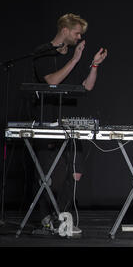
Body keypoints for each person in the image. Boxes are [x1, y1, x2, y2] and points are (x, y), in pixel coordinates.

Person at [32, 13, 107, 234]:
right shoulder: (42, 52)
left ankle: (60, 215)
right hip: (46, 119)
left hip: (70, 121)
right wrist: (75, 59)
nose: (79, 37)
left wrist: (93, 64)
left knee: (76, 172)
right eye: (76, 33)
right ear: (65, 30)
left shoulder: (76, 55)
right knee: (44, 174)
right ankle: (44, 217)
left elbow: (87, 86)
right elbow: (52, 81)